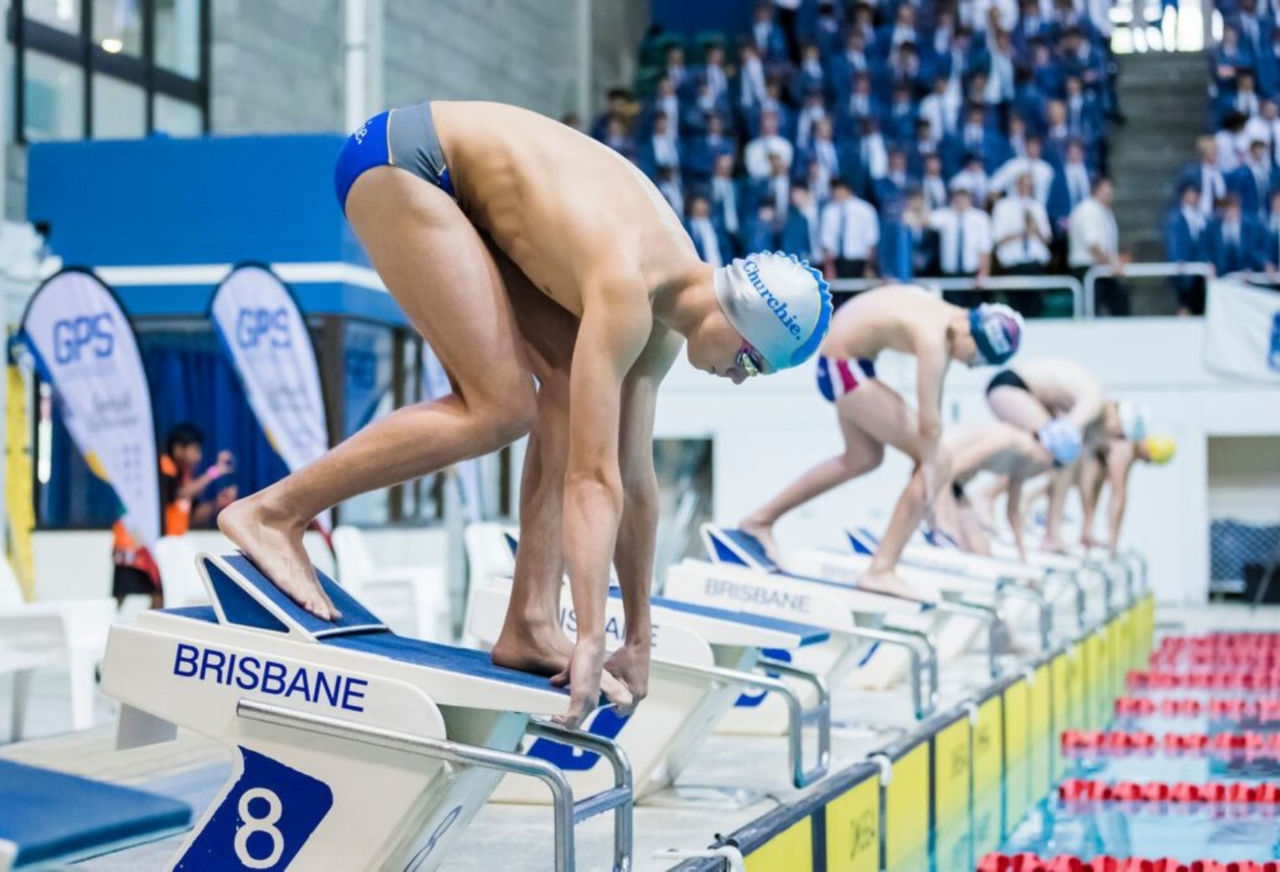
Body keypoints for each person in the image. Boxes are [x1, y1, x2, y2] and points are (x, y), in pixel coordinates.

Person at [220, 100, 833, 728]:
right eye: (752, 364)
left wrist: (640, 636)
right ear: (736, 320)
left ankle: (531, 621)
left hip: (460, 189)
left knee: (568, 384)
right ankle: (273, 513)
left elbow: (632, 478)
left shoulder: (664, 322)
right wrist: (593, 633)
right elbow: (592, 482)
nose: (738, 379)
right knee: (500, 408)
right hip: (405, 163)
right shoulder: (629, 285)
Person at [738, 287, 1025, 598]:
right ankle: (882, 570)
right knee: (940, 461)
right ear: (972, 336)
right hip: (843, 367)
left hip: (844, 363)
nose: (970, 365)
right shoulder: (935, 338)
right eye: (976, 360)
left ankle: (759, 520)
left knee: (863, 457)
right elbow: (930, 425)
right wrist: (933, 487)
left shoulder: (940, 313)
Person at [984, 358, 1109, 551]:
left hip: (1015, 388)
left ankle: (1037, 527)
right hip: (1011, 387)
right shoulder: (1093, 402)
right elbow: (1064, 438)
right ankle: (988, 497)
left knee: (1037, 454)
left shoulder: (1085, 397)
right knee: (1059, 453)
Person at [113, 424, 235, 608]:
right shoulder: (160, 468)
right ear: (178, 449)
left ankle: (151, 634)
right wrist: (214, 472)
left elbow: (192, 516)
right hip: (135, 546)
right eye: (195, 450)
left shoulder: (185, 477)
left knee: (160, 596)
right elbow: (176, 493)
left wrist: (217, 504)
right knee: (126, 599)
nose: (198, 457)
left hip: (161, 550)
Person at [930, 421, 1053, 562]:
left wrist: (1022, 556)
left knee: (982, 550)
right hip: (933, 478)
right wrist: (943, 524)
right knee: (957, 542)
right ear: (1045, 447)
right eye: (1056, 462)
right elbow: (949, 471)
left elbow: (1013, 511)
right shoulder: (1006, 439)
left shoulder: (1023, 460)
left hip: (954, 487)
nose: (1050, 467)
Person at [1078, 422, 1177, 556]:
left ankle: (1088, 529)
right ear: (1148, 453)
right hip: (1076, 446)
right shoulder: (1125, 448)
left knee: (1096, 473)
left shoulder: (1125, 441)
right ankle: (1089, 530)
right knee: (1096, 475)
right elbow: (1118, 494)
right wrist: (1113, 540)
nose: (1143, 462)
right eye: (1148, 460)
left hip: (1083, 445)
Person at [1068, 177, 1128, 315]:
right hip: (1087, 269)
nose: (1109, 195)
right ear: (1095, 190)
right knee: (1091, 310)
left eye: (1110, 191)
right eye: (1105, 191)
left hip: (1102, 269)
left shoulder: (1106, 213)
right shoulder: (1087, 210)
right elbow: (1093, 246)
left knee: (1119, 302)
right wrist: (1113, 263)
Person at [820, 177, 880, 278]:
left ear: (848, 190)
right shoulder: (828, 211)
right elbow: (826, 241)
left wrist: (869, 267)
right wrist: (829, 267)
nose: (836, 192)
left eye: (839, 189)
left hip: (859, 260)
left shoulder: (865, 209)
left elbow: (871, 241)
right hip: (837, 261)